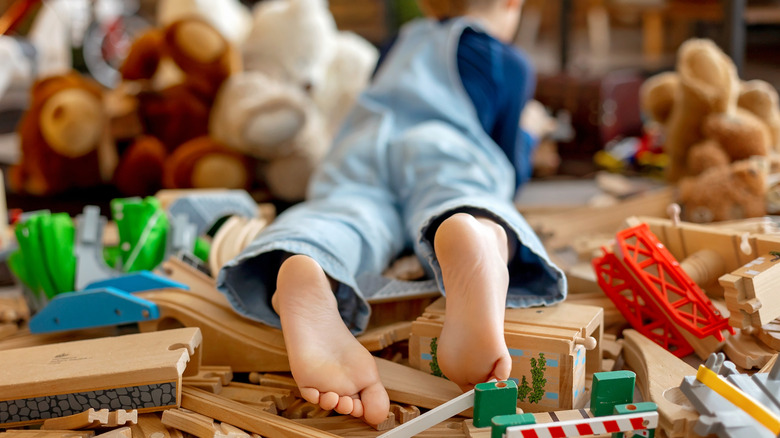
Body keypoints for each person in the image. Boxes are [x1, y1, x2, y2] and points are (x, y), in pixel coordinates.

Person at [217, 0, 566, 426]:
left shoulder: (402, 40)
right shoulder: (506, 60)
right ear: (512, 3)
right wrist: (530, 135)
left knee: (347, 213)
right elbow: (510, 164)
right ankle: (479, 233)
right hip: (440, 144)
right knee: (461, 191)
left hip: (363, 146)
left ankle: (309, 260)